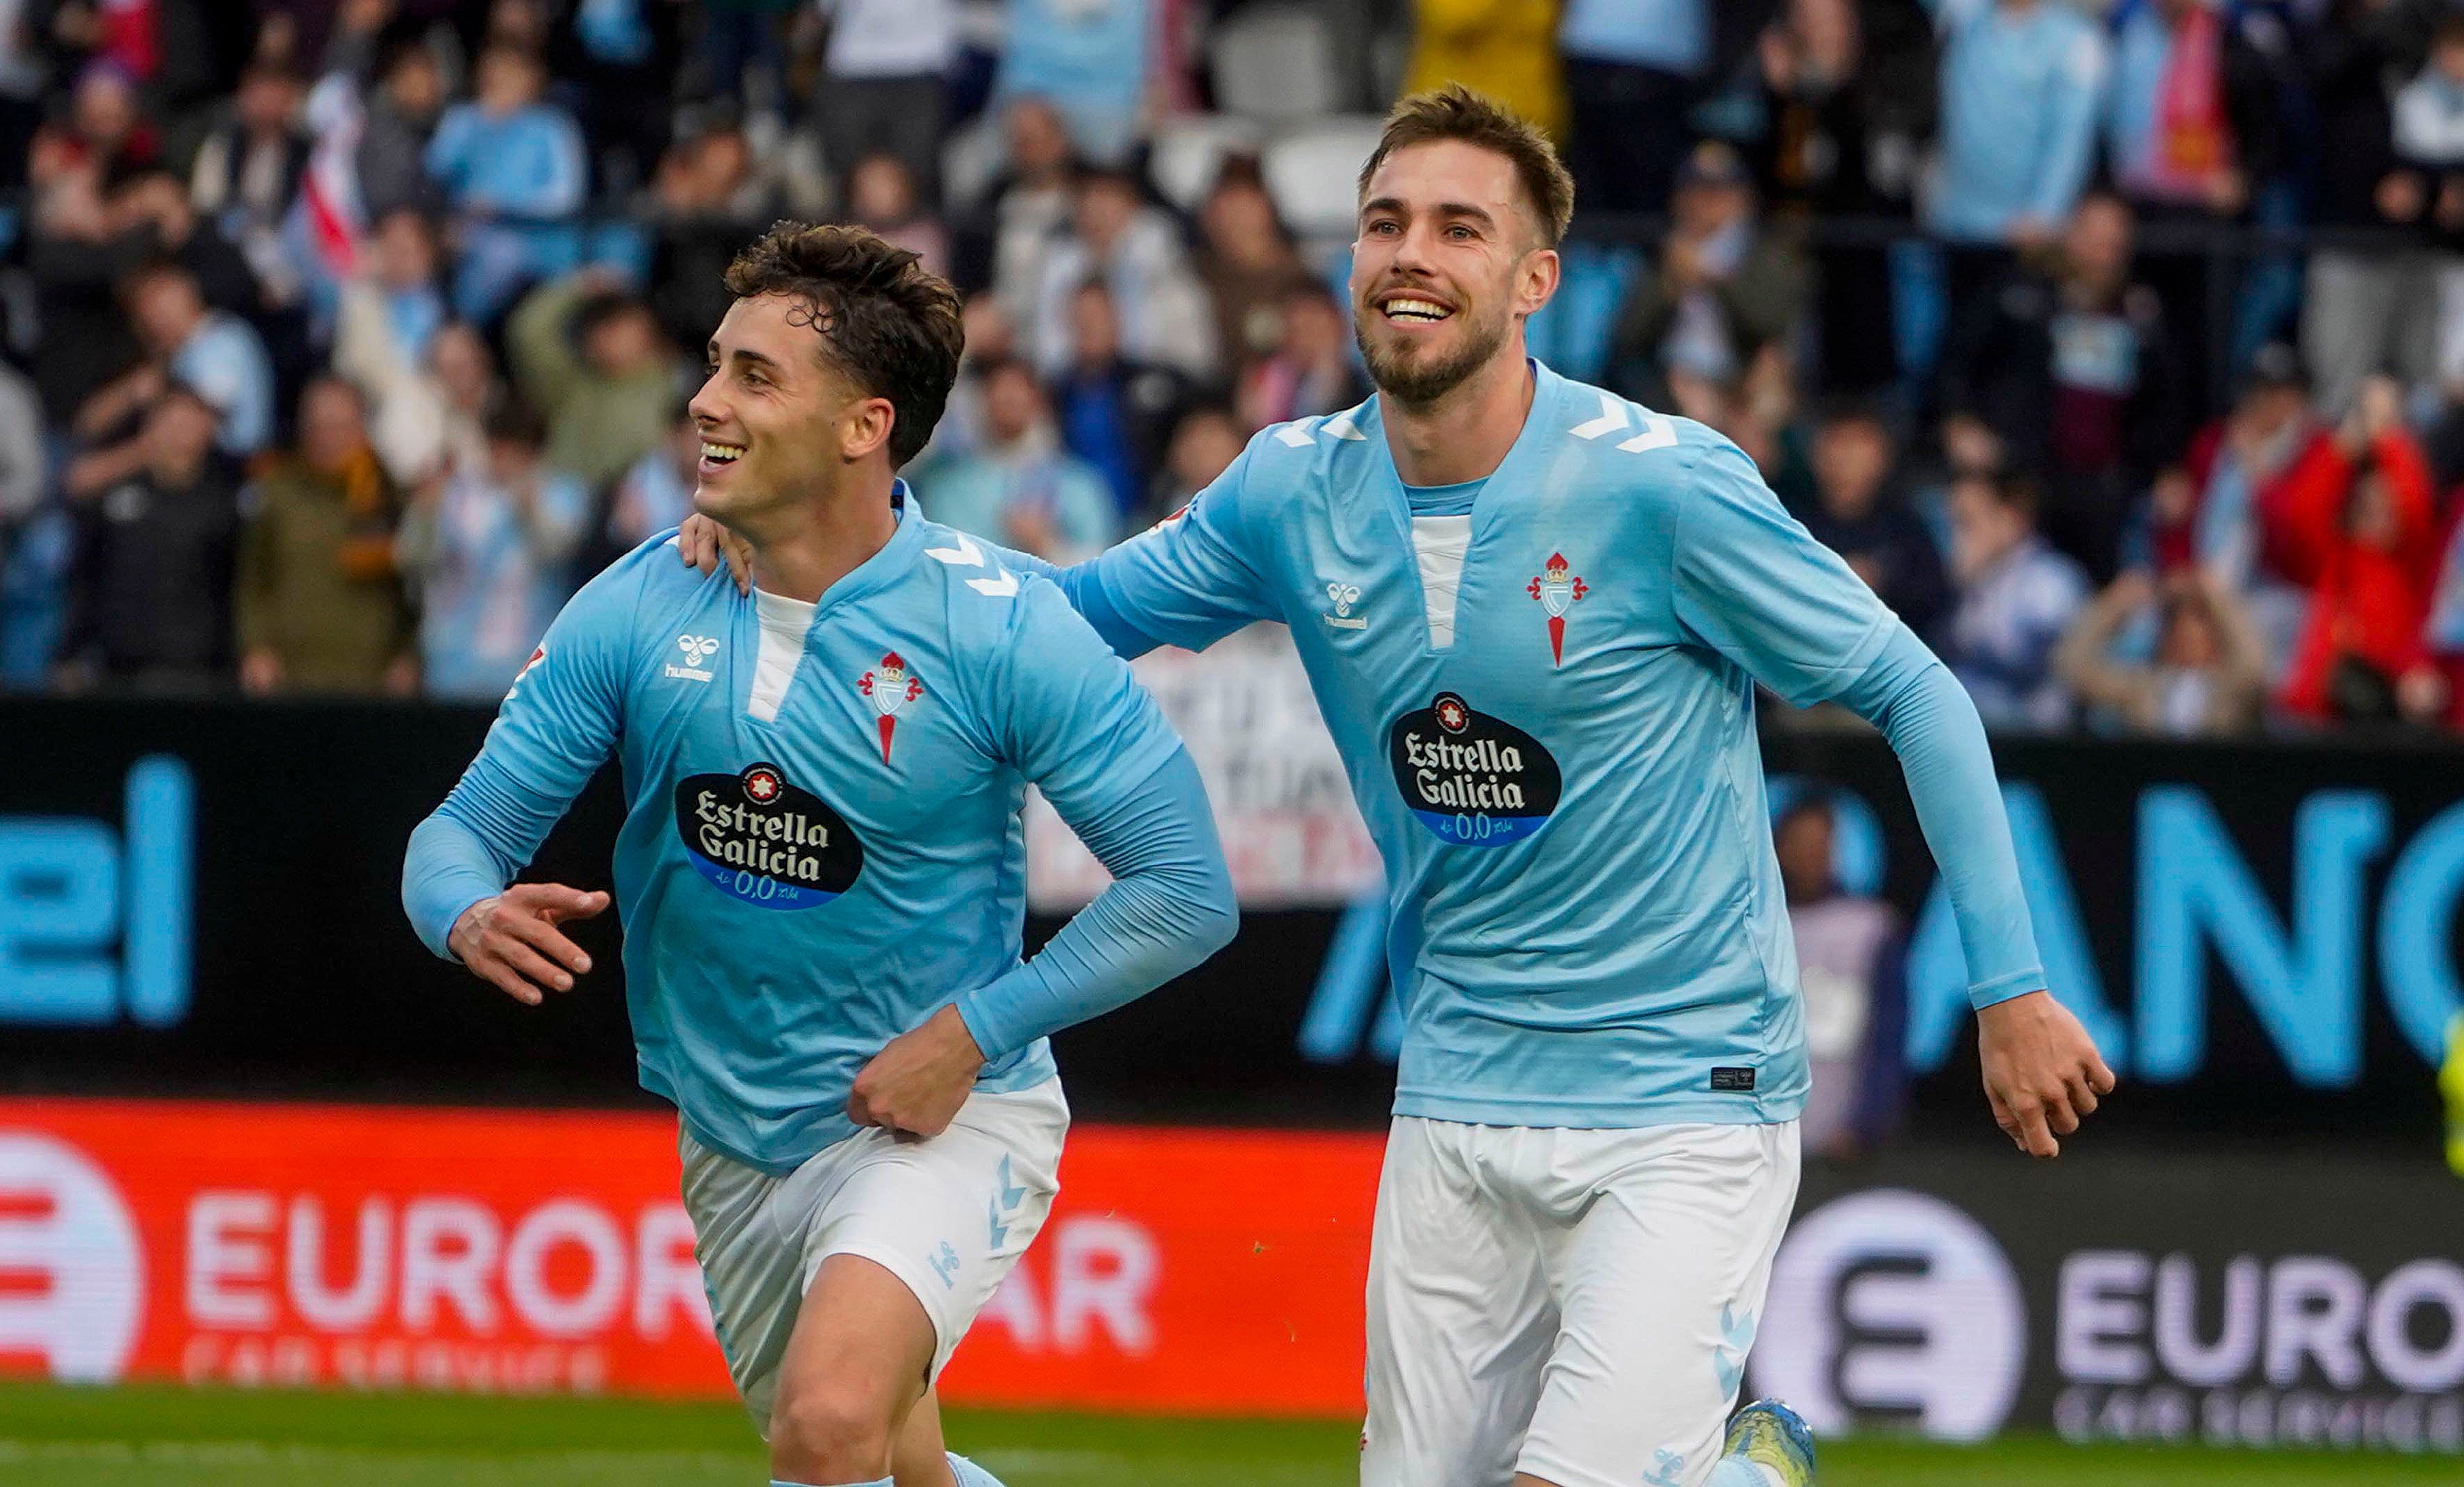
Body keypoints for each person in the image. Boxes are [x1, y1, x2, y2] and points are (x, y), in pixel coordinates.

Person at [689, 85, 2111, 1487]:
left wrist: (2010, 985)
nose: (1412, 252)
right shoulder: (1290, 487)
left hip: (1690, 1098)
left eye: (1459, 227)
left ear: (1534, 278)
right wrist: (826, 529)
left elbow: (1915, 690)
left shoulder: (1662, 486)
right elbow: (1061, 616)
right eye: (1385, 221)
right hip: (1456, 1097)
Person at [405, 221, 1235, 1487]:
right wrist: (462, 911)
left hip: (942, 1115)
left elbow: (1185, 890)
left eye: (754, 376)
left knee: (832, 1422)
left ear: (865, 427)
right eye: (715, 364)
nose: (704, 400)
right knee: (891, 1464)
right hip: (731, 1137)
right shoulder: (640, 601)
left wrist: (969, 1035)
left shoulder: (1006, 626)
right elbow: (460, 833)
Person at [396, 395, 588, 700]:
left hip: (528, 674)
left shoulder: (564, 494)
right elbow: (414, 560)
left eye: (514, 452)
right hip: (452, 671)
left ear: (534, 452)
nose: (502, 460)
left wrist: (530, 507)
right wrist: (425, 514)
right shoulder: (456, 494)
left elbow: (561, 552)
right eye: (495, 449)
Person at [234, 375, 415, 695]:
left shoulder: (389, 495)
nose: (329, 437)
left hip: (373, 679)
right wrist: (256, 648)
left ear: (362, 426)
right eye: (319, 426)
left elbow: (414, 588)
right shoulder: (277, 492)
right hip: (289, 678)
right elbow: (253, 580)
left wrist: (409, 656)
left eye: (341, 426)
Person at [1773, 791, 1908, 1161]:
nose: (1809, 854)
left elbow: (1888, 1034)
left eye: (1820, 843)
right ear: (1778, 846)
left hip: (1838, 1142)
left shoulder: (1870, 928)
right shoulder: (1751, 925)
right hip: (1760, 1140)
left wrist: (1865, 1125)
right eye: (1799, 842)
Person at [1938, 468, 2088, 729]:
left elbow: (2036, 665)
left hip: (2038, 734)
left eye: (1968, 523)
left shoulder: (2051, 579)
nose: (1957, 540)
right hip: (1985, 728)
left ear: (2010, 520)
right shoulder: (1979, 580)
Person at [2053, 566, 2268, 736]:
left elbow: (2255, 665)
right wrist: (2115, 604)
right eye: (2178, 629)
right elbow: (2075, 669)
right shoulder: (2143, 687)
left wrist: (2216, 597)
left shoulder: (2229, 688)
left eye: (2199, 632)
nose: (2188, 639)